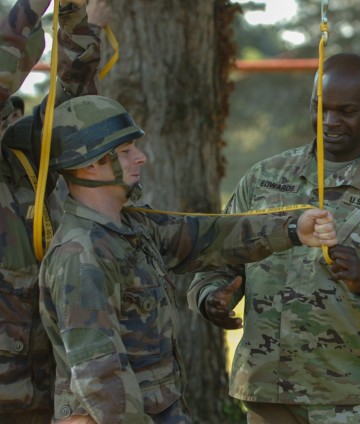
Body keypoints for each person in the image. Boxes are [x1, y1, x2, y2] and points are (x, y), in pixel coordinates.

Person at [38, 94, 337, 423]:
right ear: (90, 164)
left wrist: (292, 228)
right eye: (125, 152)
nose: (141, 158)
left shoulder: (133, 225)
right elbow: (101, 380)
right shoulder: (82, 255)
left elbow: (209, 236)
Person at [188, 52, 360, 423]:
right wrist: (212, 296)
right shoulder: (265, 178)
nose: (329, 121)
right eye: (319, 107)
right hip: (269, 394)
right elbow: (219, 257)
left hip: (357, 400)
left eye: (346, 111)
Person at [0, 1, 111, 422]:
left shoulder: (19, 154)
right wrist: (31, 6)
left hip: (36, 386)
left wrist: (76, 21)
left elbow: (72, 100)